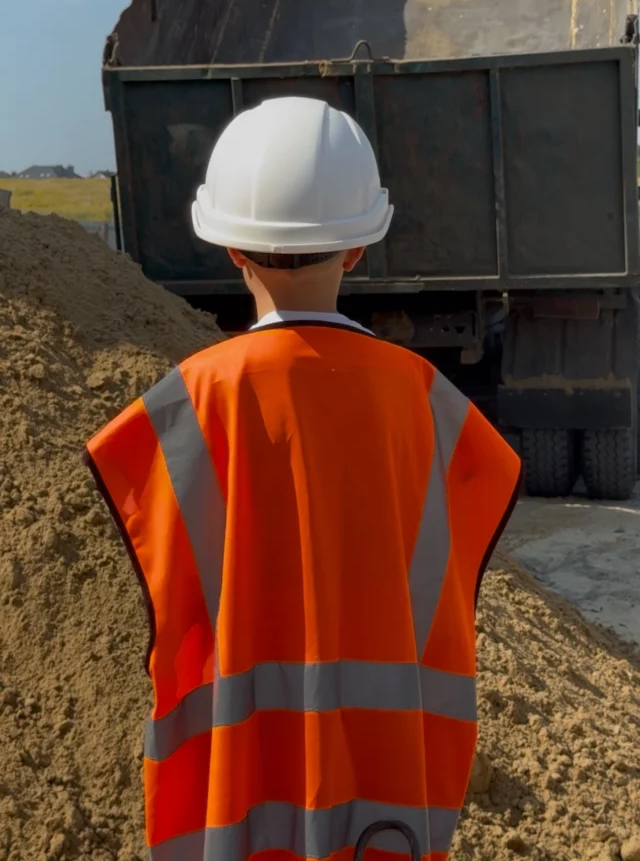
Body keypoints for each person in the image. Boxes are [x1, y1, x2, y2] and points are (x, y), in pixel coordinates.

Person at [86, 96, 521, 861]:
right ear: (357, 250)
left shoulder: (182, 411)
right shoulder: (430, 409)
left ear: (231, 251)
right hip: (387, 821)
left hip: (233, 823)